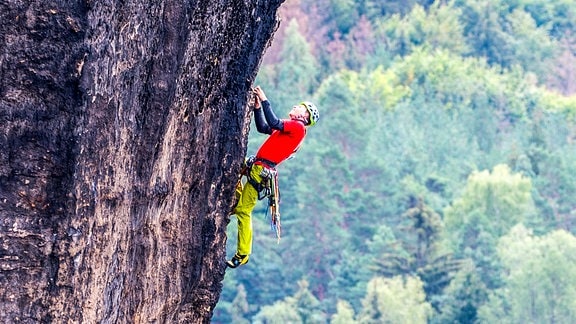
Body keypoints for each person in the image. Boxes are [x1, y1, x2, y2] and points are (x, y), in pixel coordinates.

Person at [227, 86, 319, 268]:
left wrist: (264, 99)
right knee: (230, 168)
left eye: (300, 107)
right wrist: (257, 108)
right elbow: (263, 127)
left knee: (244, 211)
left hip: (261, 171)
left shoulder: (298, 128)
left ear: (305, 116)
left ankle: (243, 253)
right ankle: (234, 199)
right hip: (255, 165)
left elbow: (274, 121)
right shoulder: (290, 128)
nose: (296, 106)